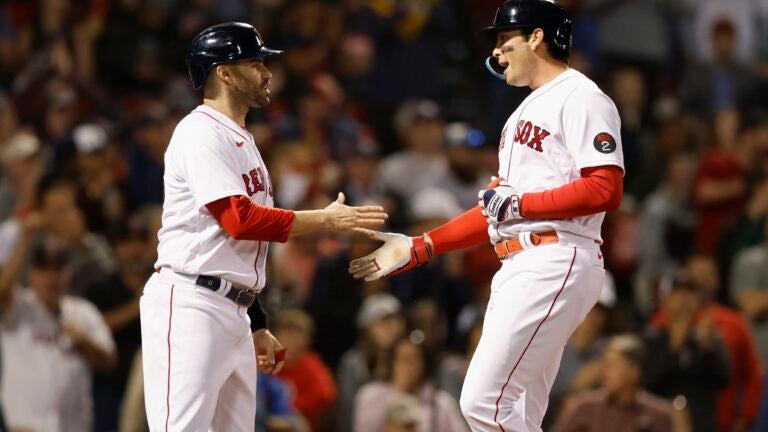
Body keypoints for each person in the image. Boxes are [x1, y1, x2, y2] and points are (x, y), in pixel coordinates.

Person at [349, 1, 624, 430]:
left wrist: (520, 205)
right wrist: (424, 245)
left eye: (503, 39)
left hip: (554, 255)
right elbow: (496, 212)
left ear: (537, 37)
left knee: (481, 402)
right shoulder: (520, 114)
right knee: (518, 413)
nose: (496, 53)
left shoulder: (581, 96)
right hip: (521, 259)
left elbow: (605, 187)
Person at [139, 22, 387, 432]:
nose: (267, 71)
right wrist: (324, 219)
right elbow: (239, 220)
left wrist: (254, 321)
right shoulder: (199, 131)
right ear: (225, 73)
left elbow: (241, 247)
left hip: (230, 307)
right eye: (254, 63)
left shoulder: (241, 138)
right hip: (190, 303)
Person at [0, 237, 116, 432]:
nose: (51, 278)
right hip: (23, 427)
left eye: (57, 270)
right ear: (31, 275)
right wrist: (24, 239)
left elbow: (110, 361)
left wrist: (85, 343)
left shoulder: (84, 312)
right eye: (44, 270)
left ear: (68, 274)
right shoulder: (18, 307)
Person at [554, 334, 676, 432]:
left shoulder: (658, 416)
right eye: (604, 365)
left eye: (612, 365)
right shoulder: (584, 407)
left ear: (634, 371)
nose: (604, 372)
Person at [353, 337, 469, 432]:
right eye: (405, 359)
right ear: (392, 363)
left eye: (415, 359)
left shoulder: (440, 403)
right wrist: (400, 391)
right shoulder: (370, 396)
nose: (410, 366)